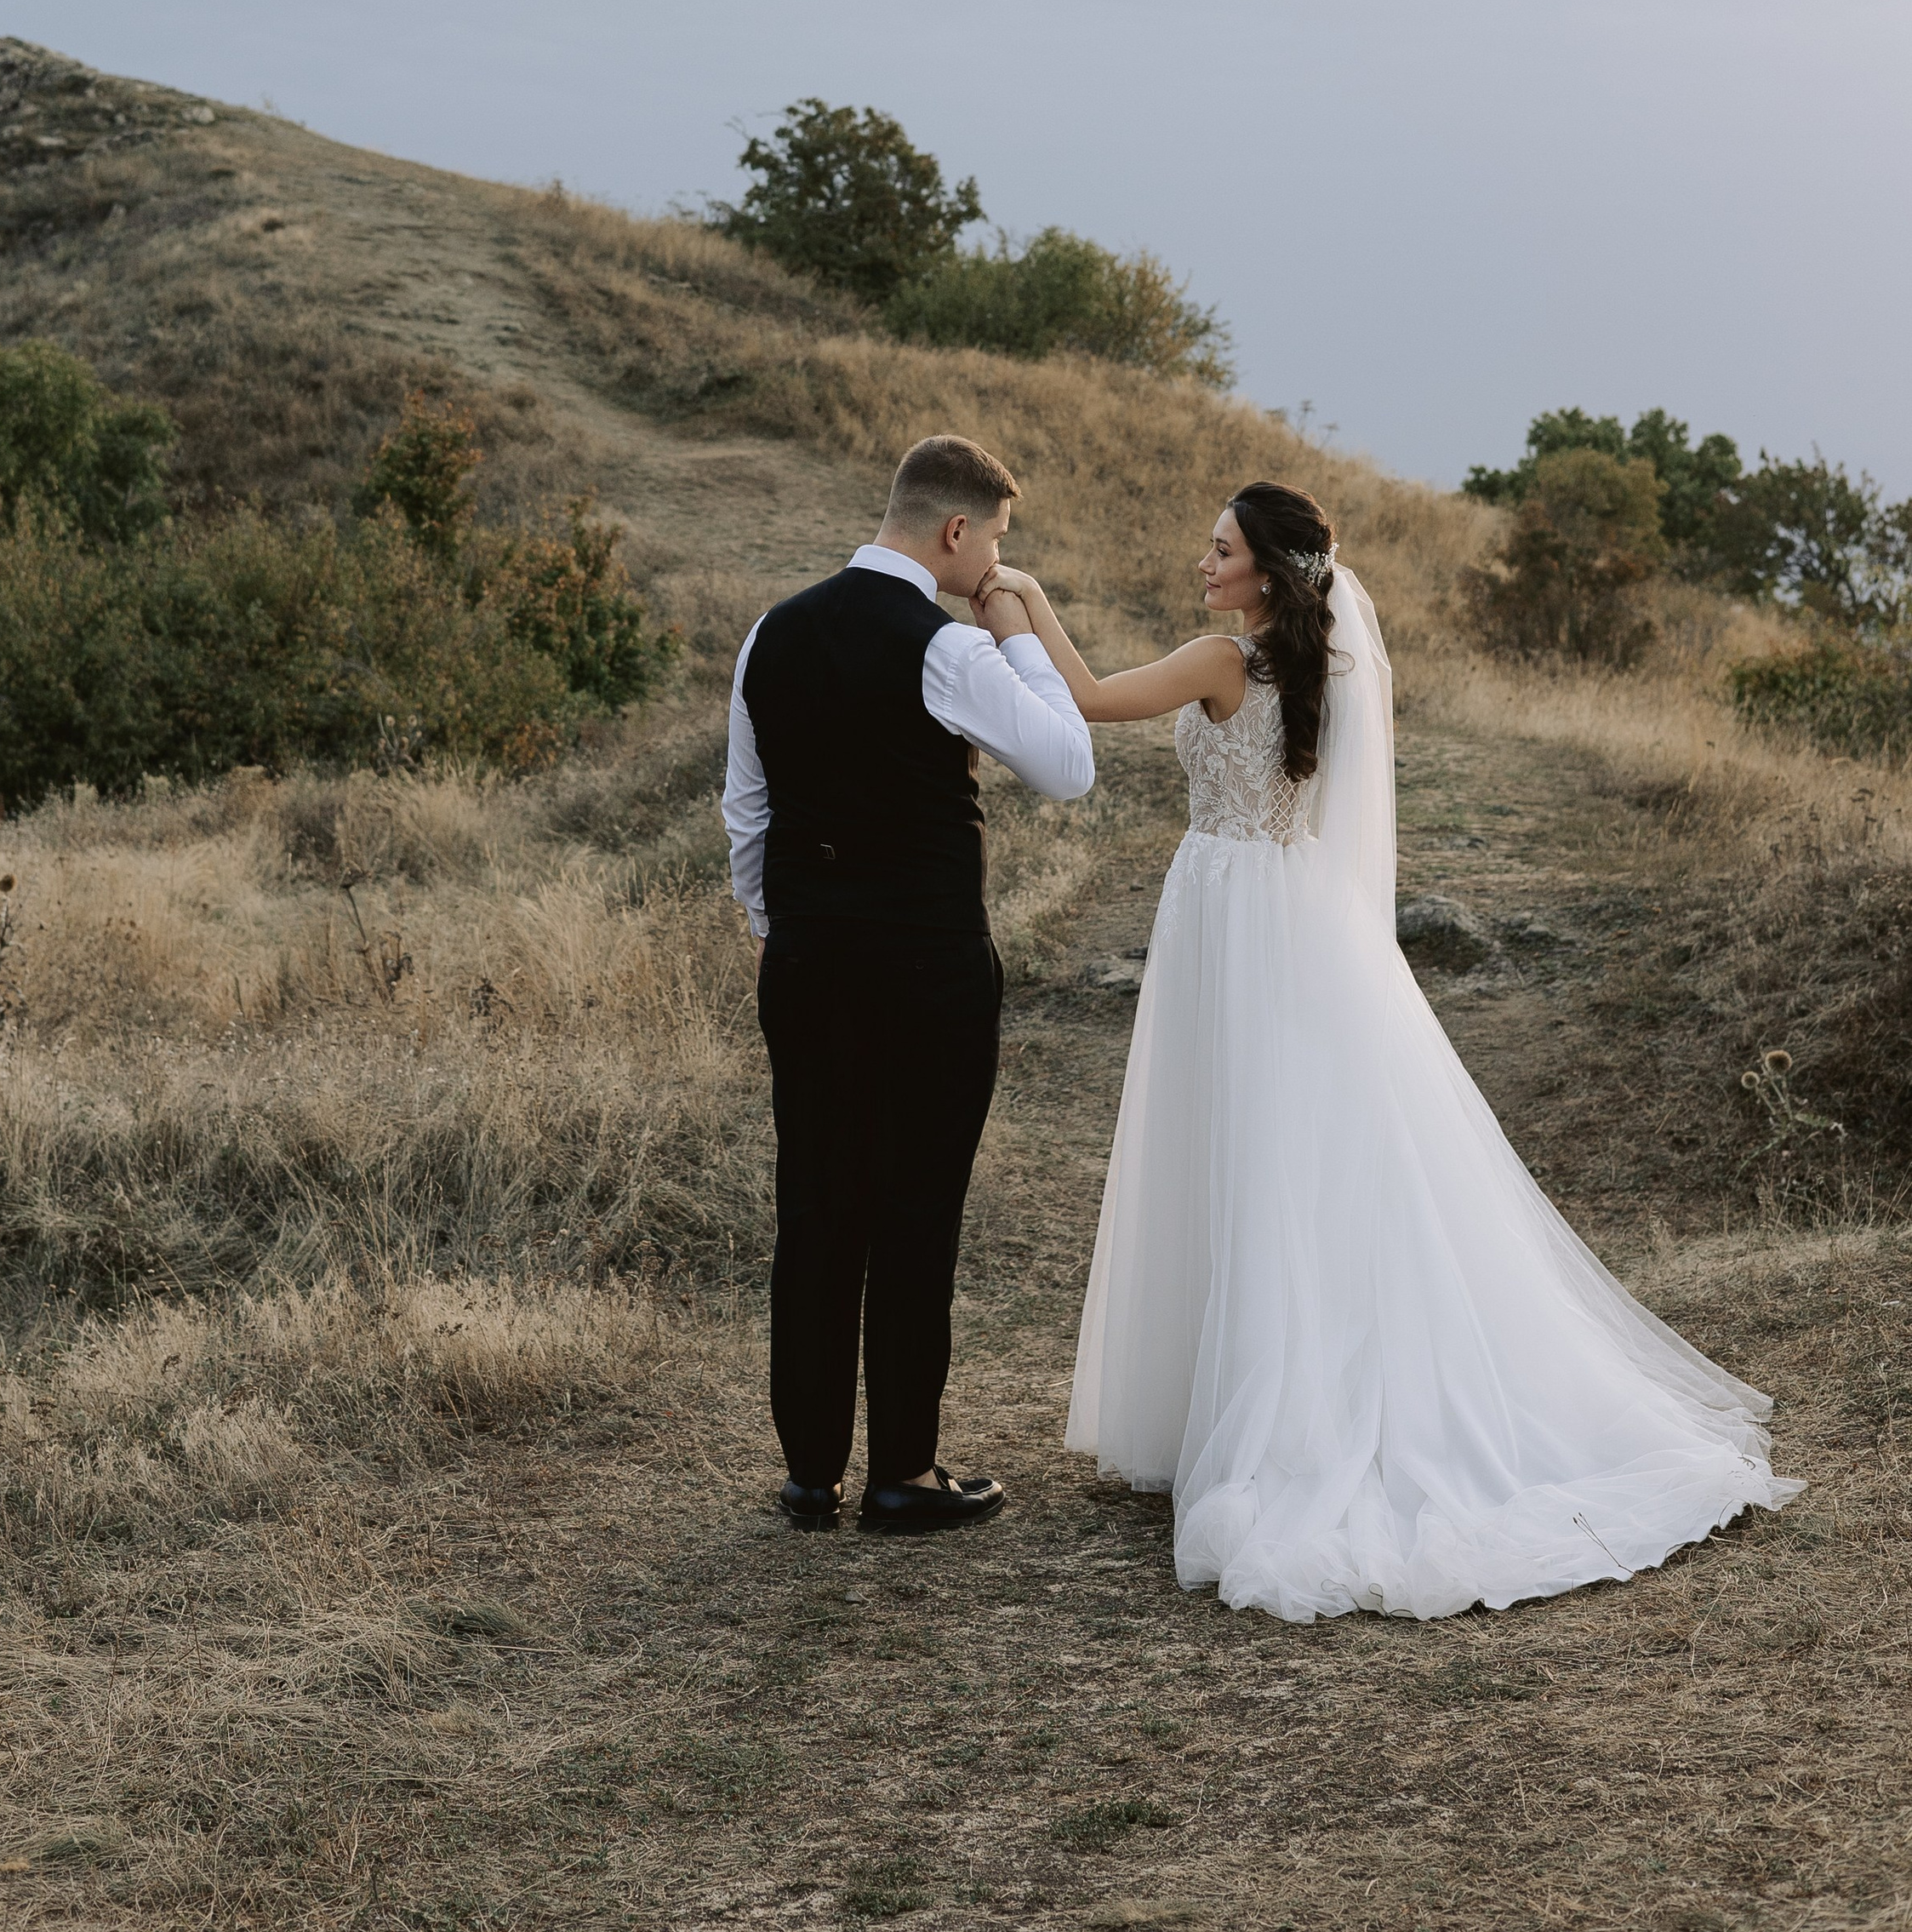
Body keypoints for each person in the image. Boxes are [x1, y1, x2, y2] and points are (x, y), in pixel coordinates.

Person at [976, 481, 1800, 1621]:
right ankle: (1253, 1394)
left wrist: (1019, 595)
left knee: (1245, 1148)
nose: (1202, 562)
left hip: (1233, 914)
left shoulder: (1225, 661)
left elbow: (1088, 697)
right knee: (1290, 1152)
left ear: (1267, 572)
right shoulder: (1332, 671)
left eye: (1219, 550)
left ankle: (1273, 1416)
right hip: (1292, 915)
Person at [724, 432, 1094, 1532]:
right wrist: (1018, 630)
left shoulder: (770, 633)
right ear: (956, 531)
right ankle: (905, 1475)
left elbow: (748, 809)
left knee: (817, 1204)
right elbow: (1066, 768)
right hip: (928, 965)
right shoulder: (946, 647)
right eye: (997, 546)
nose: (994, 566)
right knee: (916, 1208)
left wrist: (781, 923)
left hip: (806, 957)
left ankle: (809, 1477)